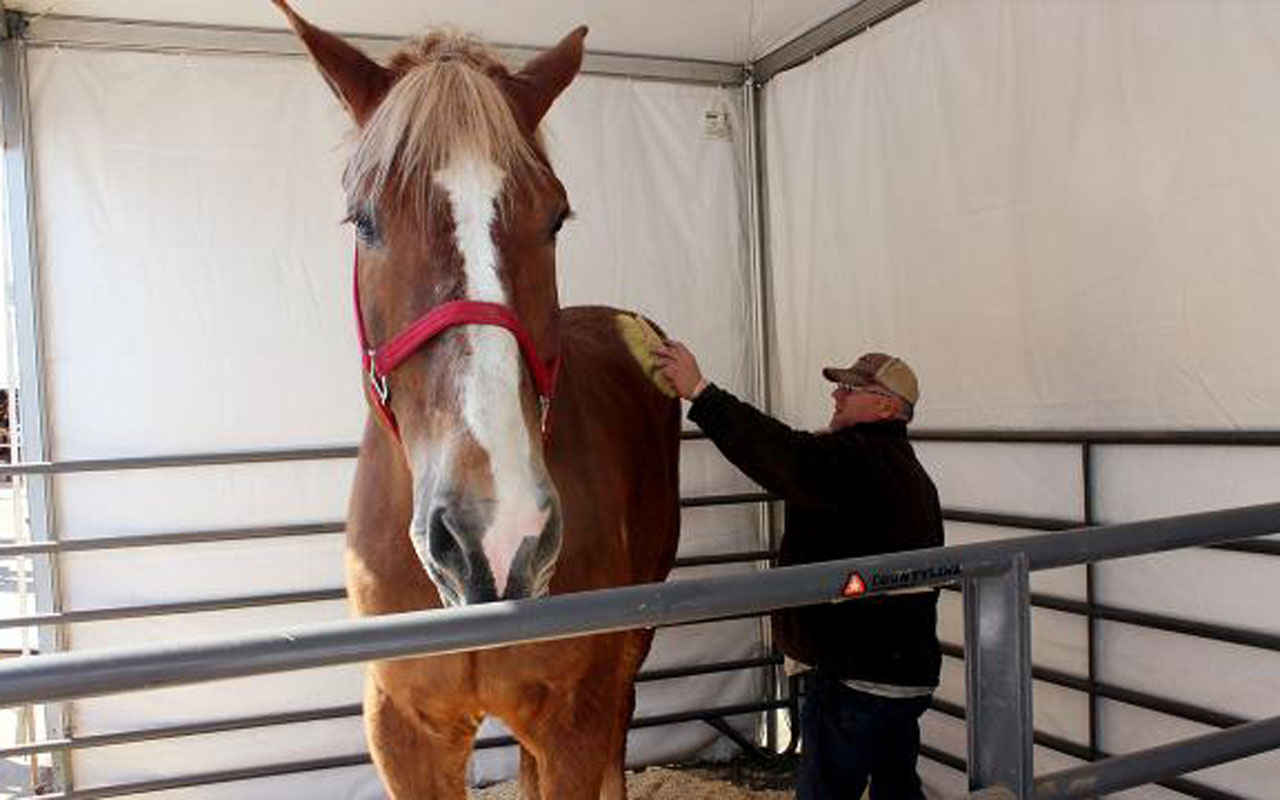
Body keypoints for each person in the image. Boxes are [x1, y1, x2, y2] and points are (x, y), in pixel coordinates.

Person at [653, 344, 943, 800]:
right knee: (897, 787)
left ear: (887, 406)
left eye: (850, 389)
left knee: (827, 790)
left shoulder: (855, 461)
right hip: (904, 675)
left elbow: (781, 453)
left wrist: (702, 393)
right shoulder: (910, 474)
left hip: (855, 675)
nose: (836, 396)